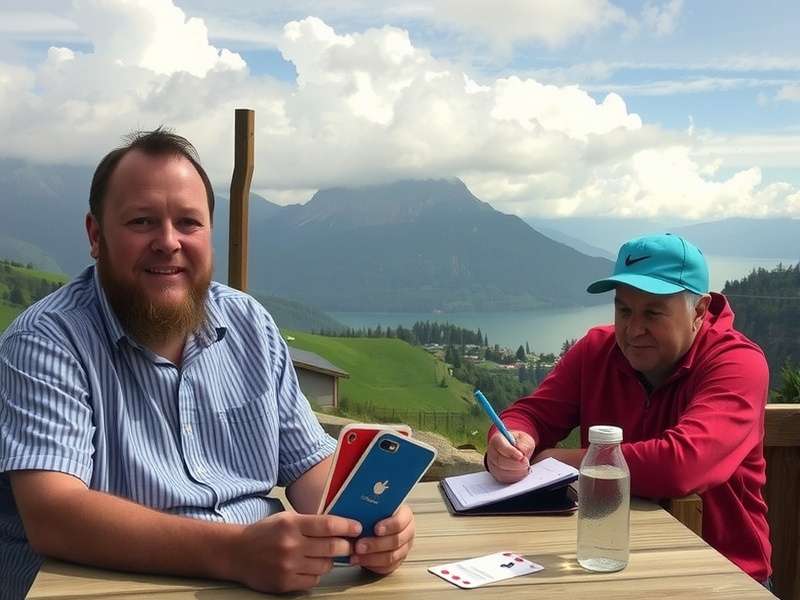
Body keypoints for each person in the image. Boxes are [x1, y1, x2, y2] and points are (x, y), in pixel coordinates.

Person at [0, 129, 415, 600]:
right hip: (108, 585)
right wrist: (235, 553)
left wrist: (371, 522)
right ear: (96, 236)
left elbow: (308, 465)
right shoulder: (47, 340)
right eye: (141, 222)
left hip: (264, 583)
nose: (168, 242)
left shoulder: (249, 323)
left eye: (189, 223)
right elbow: (53, 516)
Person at [485, 233, 772, 585]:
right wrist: (512, 439)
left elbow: (683, 465)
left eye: (653, 313)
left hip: (724, 574)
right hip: (606, 561)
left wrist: (563, 461)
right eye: (624, 310)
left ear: (699, 311)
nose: (634, 329)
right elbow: (532, 414)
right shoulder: (595, 350)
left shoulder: (737, 363)